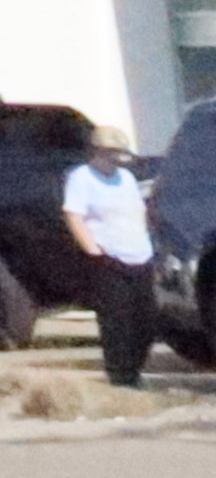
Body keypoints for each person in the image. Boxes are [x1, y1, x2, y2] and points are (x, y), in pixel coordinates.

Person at [57, 126, 157, 389]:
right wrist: (92, 250)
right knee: (117, 323)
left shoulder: (125, 177)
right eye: (113, 152)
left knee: (146, 321)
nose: (118, 158)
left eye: (120, 153)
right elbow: (73, 215)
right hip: (108, 260)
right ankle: (122, 380)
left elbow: (138, 210)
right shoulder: (82, 178)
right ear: (98, 151)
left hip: (140, 256)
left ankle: (133, 370)